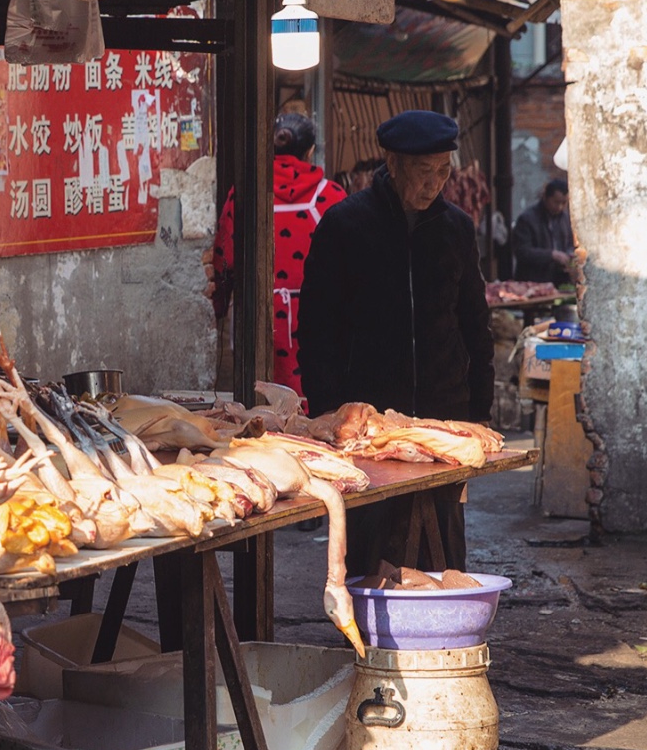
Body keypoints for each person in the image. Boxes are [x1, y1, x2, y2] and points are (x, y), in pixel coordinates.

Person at [297, 109, 493, 573]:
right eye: (424, 171)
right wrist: (328, 411)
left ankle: (440, 636)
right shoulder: (345, 226)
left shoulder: (456, 229)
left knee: (443, 554)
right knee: (371, 551)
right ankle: (369, 640)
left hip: (442, 423)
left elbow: (475, 326)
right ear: (393, 162)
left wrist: (478, 414)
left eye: (444, 170)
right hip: (367, 427)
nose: (435, 183)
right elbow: (317, 328)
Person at [207, 112, 348, 395]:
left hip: (258, 320)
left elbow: (223, 262)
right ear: (310, 151)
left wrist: (218, 309)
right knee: (315, 406)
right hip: (317, 320)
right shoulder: (331, 196)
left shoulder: (245, 195)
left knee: (262, 408)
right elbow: (352, 268)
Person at [511, 178, 575, 282]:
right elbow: (522, 251)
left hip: (559, 280)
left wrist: (570, 254)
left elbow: (570, 244)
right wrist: (551, 255)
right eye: (556, 202)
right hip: (533, 280)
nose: (559, 207)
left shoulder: (565, 218)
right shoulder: (527, 219)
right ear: (545, 197)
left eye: (564, 203)